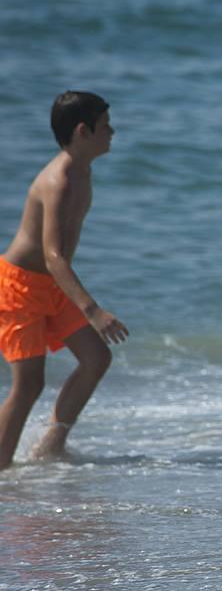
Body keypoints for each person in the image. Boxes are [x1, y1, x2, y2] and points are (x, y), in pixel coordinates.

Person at [1, 92, 128, 470]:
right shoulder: (59, 181)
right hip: (19, 288)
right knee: (28, 385)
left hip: (51, 286)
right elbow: (54, 255)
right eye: (105, 125)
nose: (112, 132)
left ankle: (51, 444)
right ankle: (2, 472)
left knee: (95, 358)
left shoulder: (82, 171)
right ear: (82, 130)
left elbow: (57, 263)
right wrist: (92, 310)